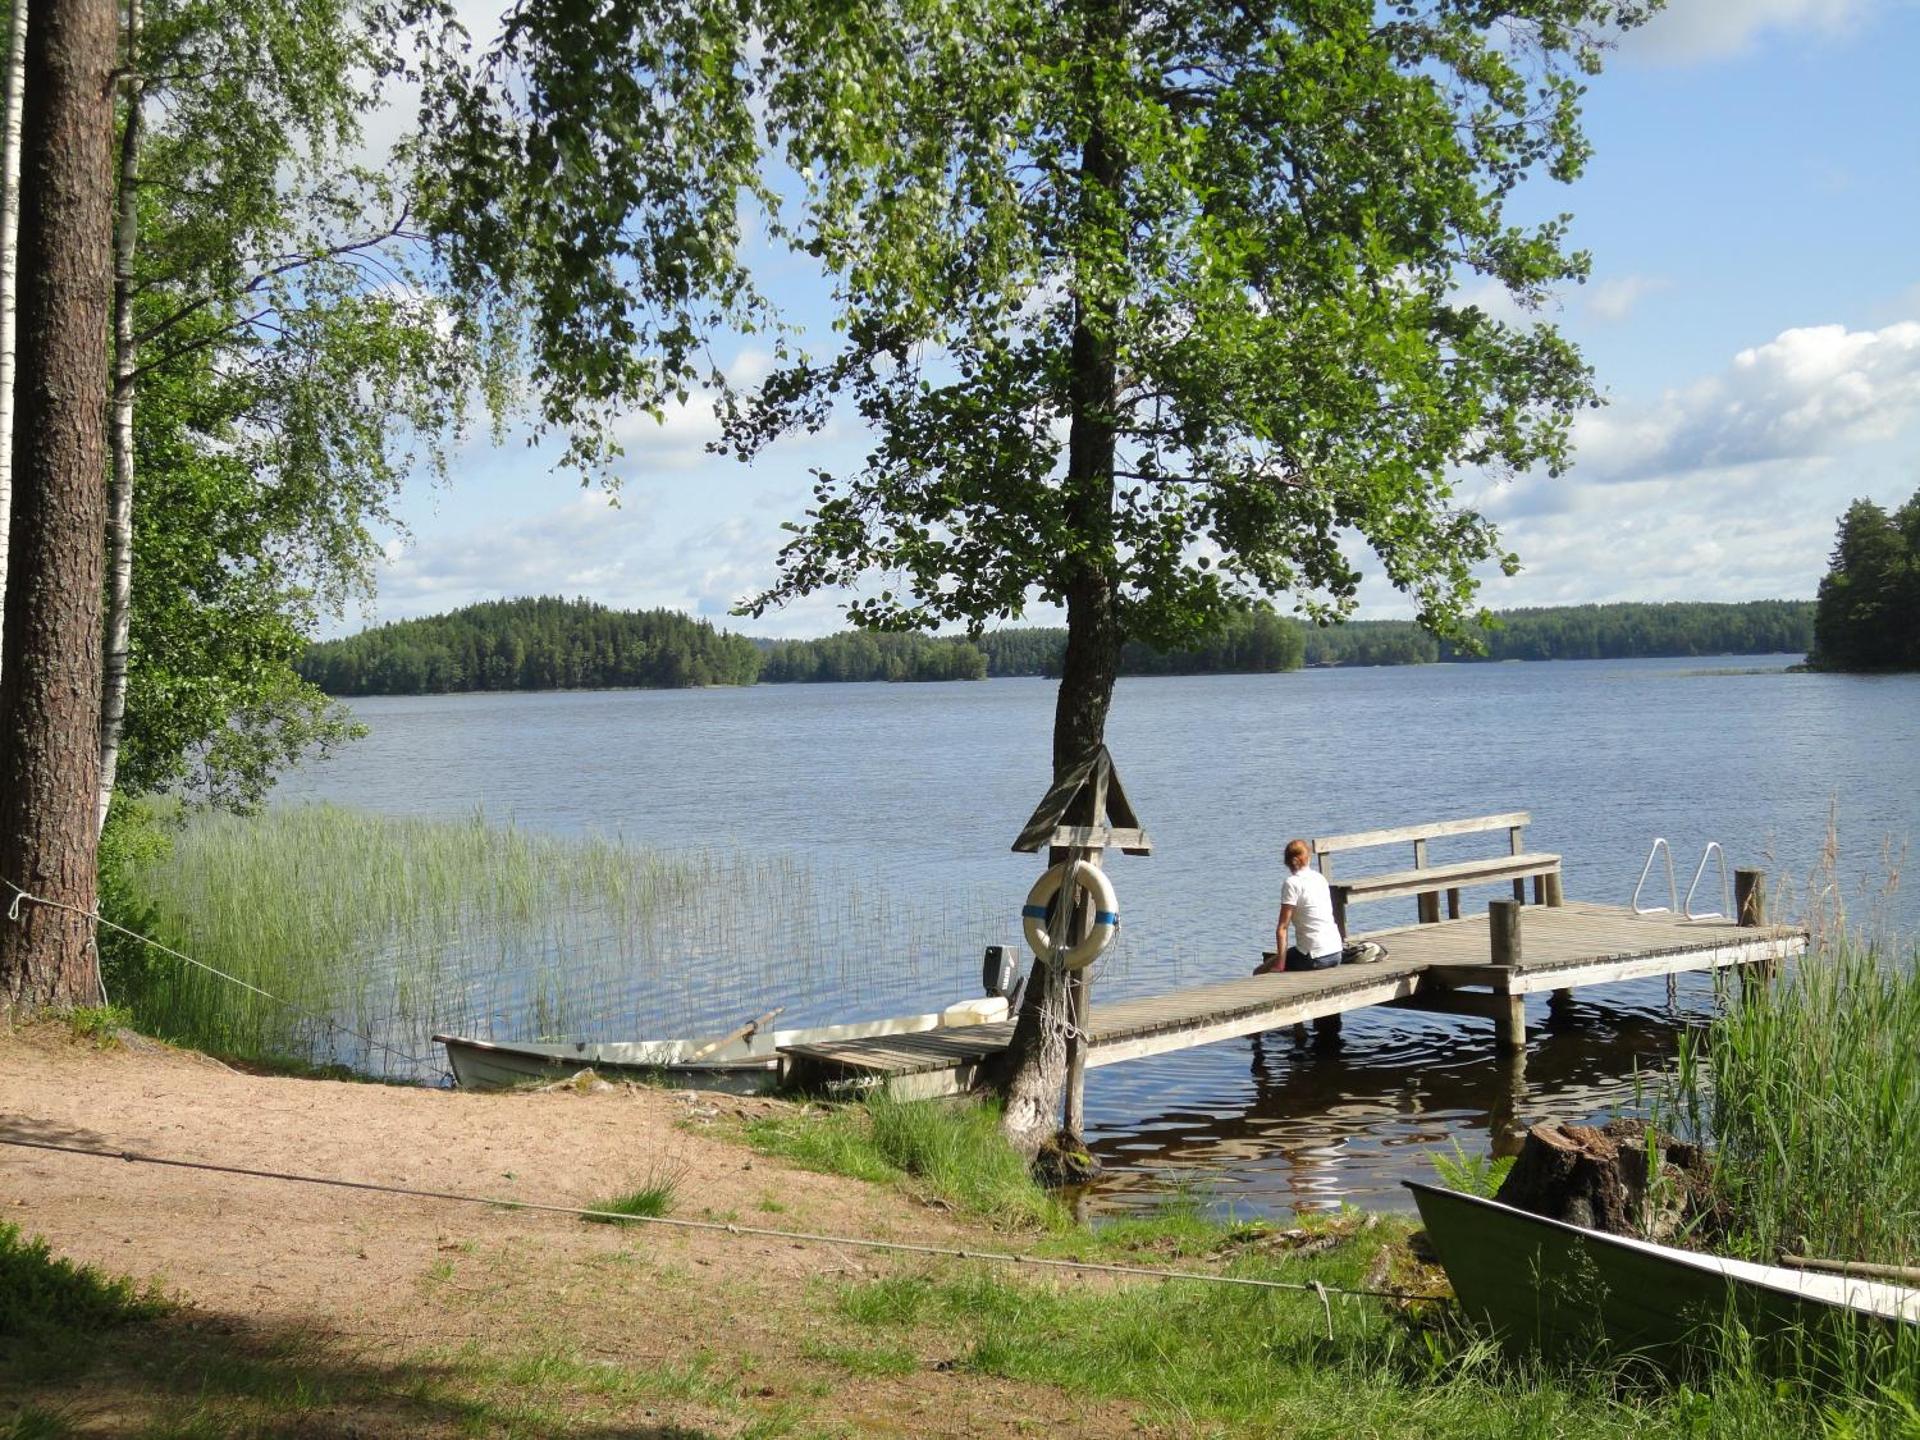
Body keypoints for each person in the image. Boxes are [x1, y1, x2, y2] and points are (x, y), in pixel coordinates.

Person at [1257, 838, 1344, 974]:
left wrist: (1280, 965)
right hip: (1336, 952)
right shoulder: (1320, 878)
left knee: (1260, 971)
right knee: (1291, 953)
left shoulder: (1292, 883)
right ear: (1308, 857)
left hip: (1315, 957)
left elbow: (1282, 928)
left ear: (1287, 862)